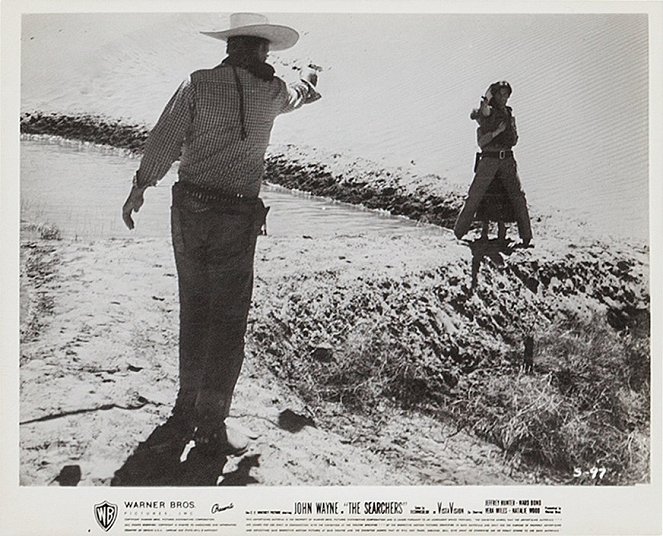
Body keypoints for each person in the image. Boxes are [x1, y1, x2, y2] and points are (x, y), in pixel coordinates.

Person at [121, 13, 321, 456]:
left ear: (230, 48)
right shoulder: (271, 91)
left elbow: (164, 140)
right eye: (265, 51)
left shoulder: (197, 83)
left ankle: (183, 409)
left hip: (190, 209)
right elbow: (299, 96)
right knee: (228, 321)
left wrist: (139, 188)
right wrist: (308, 77)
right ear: (263, 51)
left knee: (194, 308)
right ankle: (211, 423)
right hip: (236, 215)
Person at [454, 81, 532, 247]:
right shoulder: (488, 114)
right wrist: (496, 131)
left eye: (506, 95)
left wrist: (507, 130)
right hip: (489, 159)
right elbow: (482, 129)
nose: (504, 98)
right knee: (475, 195)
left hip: (507, 159)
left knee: (518, 196)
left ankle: (526, 237)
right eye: (500, 95)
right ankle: (459, 232)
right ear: (494, 96)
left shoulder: (508, 114)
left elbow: (515, 139)